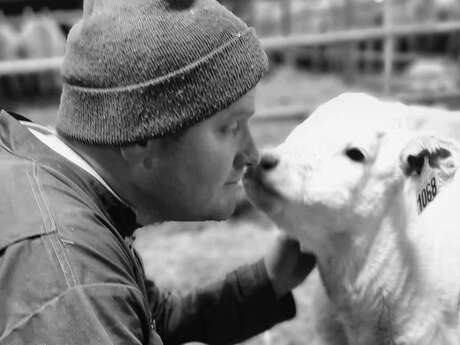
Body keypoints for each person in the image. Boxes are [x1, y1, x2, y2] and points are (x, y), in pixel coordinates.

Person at [0, 0, 316, 344]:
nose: (252, 155)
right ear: (143, 140)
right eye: (231, 126)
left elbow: (146, 320)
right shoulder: (71, 285)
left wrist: (269, 280)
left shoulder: (54, 182)